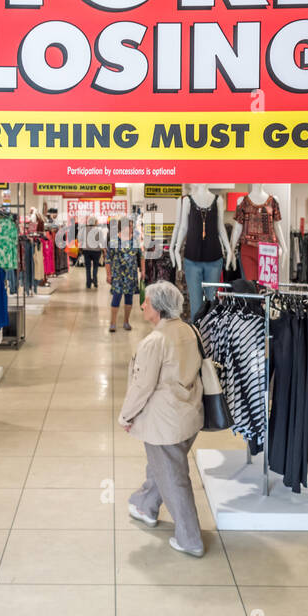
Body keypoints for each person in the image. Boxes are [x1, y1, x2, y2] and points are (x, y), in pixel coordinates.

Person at [119, 281, 206, 557]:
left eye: (146, 301)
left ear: (157, 307)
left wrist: (126, 416)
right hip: (188, 416)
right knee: (163, 467)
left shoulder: (154, 342)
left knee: (174, 478)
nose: (142, 305)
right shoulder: (190, 331)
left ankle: (190, 538)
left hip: (164, 423)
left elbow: (142, 386)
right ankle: (145, 504)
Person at [105, 217, 141, 333]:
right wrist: (108, 274)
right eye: (130, 226)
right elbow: (108, 259)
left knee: (129, 299)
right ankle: (113, 323)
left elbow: (141, 256)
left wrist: (144, 271)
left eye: (132, 226)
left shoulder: (135, 241)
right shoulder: (114, 241)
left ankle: (126, 321)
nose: (132, 228)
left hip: (131, 275)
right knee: (116, 298)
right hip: (118, 276)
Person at [81, 215, 105, 288]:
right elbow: (102, 241)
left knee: (87, 268)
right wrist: (104, 250)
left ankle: (88, 283)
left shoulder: (84, 230)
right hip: (96, 251)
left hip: (86, 251)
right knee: (95, 267)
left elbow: (81, 240)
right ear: (94, 222)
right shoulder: (98, 230)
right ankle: (95, 281)